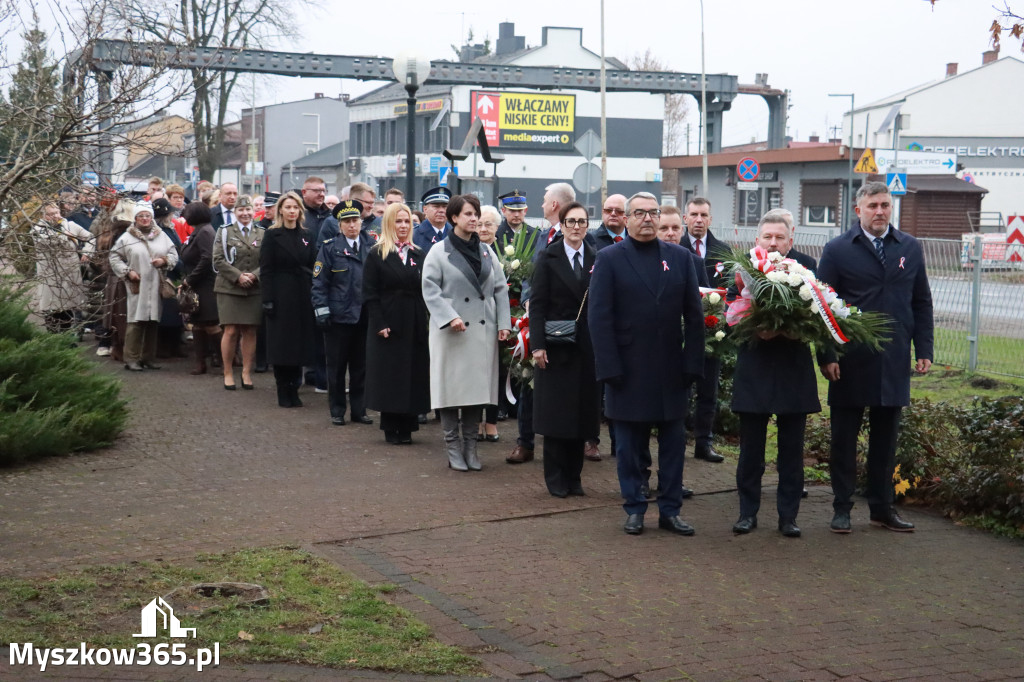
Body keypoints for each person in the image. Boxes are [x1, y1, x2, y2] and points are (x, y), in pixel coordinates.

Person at [818, 181, 934, 534]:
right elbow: (821, 305)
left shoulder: (909, 247)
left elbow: (921, 301)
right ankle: (842, 508)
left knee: (886, 441)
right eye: (873, 206)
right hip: (851, 359)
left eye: (885, 205)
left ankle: (882, 508)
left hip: (894, 358)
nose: (880, 211)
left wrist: (924, 349)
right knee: (844, 440)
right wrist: (827, 354)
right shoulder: (838, 249)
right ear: (859, 210)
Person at [588, 192, 705, 536]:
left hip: (671, 369)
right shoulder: (609, 258)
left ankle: (670, 510)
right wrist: (609, 368)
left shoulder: (680, 258)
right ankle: (635, 507)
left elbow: (695, 318)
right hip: (626, 369)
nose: (648, 219)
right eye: (639, 213)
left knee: (672, 446)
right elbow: (599, 317)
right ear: (626, 219)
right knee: (628, 446)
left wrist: (692, 365)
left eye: (653, 213)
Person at [731, 210, 820, 538]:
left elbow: (820, 311)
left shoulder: (807, 267)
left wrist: (795, 331)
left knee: (792, 451)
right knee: (750, 450)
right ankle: (747, 513)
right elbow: (731, 308)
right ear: (758, 240)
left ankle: (788, 517)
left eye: (779, 237)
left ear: (790, 240)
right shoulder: (742, 268)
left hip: (792, 370)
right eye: (767, 237)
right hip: (754, 367)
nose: (773, 242)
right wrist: (755, 328)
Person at [421, 194, 512, 471]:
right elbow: (430, 289)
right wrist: (450, 317)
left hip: (481, 334)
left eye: (476, 214)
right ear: (454, 218)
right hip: (452, 333)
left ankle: (471, 447)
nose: (474, 219)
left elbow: (499, 288)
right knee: (450, 391)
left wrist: (504, 323)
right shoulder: (439, 251)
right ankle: (452, 448)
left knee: (476, 392)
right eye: (468, 214)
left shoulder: (487, 251)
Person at [530, 201, 600, 498]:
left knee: (582, 415)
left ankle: (575, 477)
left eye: (581, 222)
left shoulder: (597, 257)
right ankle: (556, 479)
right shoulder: (548, 257)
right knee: (557, 415)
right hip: (556, 347)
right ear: (560, 225)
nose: (576, 227)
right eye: (570, 222)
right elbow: (537, 305)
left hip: (587, 347)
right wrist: (537, 346)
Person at [506, 182, 576, 465]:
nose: (542, 204)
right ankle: (525, 442)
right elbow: (529, 274)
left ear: (556, 205)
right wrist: (527, 301)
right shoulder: (542, 235)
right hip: (537, 321)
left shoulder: (581, 237)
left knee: (564, 388)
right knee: (528, 380)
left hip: (567, 326)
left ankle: (565, 444)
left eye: (546, 199)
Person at [363, 202, 431, 444]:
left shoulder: (419, 253)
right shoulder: (377, 253)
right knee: (391, 375)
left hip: (413, 319)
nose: (403, 226)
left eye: (407, 222)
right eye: (398, 221)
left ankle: (409, 425)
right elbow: (370, 293)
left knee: (412, 372)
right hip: (388, 321)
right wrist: (379, 323)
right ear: (389, 224)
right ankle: (391, 426)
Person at [312, 200, 373, 426]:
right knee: (336, 368)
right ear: (339, 225)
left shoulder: (372, 246)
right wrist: (322, 312)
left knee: (361, 367)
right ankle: (337, 410)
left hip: (363, 316)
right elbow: (319, 283)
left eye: (355, 220)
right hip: (338, 317)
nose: (351, 225)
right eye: (346, 221)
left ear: (361, 222)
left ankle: (359, 410)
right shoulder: (329, 248)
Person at [679, 197, 727, 463]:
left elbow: (730, 289)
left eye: (703, 215)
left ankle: (703, 443)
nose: (698, 220)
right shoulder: (675, 246)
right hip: (683, 335)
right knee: (683, 391)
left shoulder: (722, 251)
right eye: (694, 214)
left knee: (708, 392)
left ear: (710, 219)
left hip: (712, 333)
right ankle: (679, 440)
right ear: (685, 218)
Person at [260, 191, 318, 407]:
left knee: (299, 345)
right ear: (280, 210)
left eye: (295, 207)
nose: (292, 211)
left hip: (302, 293)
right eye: (288, 207)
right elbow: (266, 269)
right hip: (281, 294)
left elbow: (314, 264)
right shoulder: (272, 235)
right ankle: (283, 389)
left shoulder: (307, 235)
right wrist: (268, 299)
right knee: (281, 345)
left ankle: (295, 387)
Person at [108, 201, 179, 371]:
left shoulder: (161, 235)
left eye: (148, 216)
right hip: (137, 284)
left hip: (156, 284)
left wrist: (164, 261)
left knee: (153, 321)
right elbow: (114, 257)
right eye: (141, 216)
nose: (145, 219)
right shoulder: (127, 237)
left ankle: (148, 357)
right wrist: (127, 272)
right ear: (136, 218)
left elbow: (174, 254)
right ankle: (131, 358)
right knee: (135, 321)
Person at [213, 195, 264, 390]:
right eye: (241, 210)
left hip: (254, 287)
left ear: (253, 211)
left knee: (250, 330)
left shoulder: (262, 233)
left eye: (248, 210)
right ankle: (227, 372)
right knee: (231, 330)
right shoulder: (224, 232)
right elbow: (217, 259)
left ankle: (246, 372)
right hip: (229, 287)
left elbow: (267, 260)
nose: (245, 213)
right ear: (235, 213)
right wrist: (238, 276)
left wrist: (254, 275)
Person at [31, 202, 95, 335]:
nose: (56, 216)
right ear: (44, 216)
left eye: (57, 212)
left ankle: (68, 340)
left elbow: (91, 237)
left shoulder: (70, 225)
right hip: (50, 275)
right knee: (51, 310)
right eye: (51, 214)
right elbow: (52, 243)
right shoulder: (38, 230)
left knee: (68, 309)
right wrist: (66, 234)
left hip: (69, 273)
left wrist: (87, 252)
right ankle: (54, 341)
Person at [179, 201, 220, 375]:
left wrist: (190, 279)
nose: (184, 216)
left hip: (205, 285)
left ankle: (227, 358)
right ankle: (200, 362)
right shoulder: (199, 231)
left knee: (210, 324)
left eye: (187, 213)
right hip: (197, 284)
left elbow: (207, 258)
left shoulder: (205, 232)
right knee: (197, 325)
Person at [476, 205, 503, 442]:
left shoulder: (508, 251)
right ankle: (475, 420)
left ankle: (492, 421)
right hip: (475, 319)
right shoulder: (470, 249)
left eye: (489, 224)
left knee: (496, 372)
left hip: (498, 318)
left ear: (497, 227)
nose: (484, 229)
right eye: (480, 224)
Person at [413, 186, 452, 252]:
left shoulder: (455, 233)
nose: (441, 210)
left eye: (445, 207)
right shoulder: (414, 235)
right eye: (436, 207)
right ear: (425, 209)